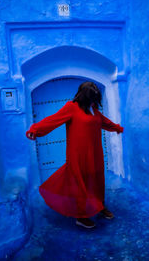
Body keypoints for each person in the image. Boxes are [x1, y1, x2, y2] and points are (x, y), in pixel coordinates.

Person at [26, 81, 124, 229]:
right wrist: (35, 129)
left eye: (95, 98)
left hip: (95, 153)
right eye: (92, 97)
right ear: (84, 96)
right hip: (78, 155)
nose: (94, 100)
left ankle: (99, 206)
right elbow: (53, 120)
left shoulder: (94, 109)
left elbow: (103, 122)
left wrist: (117, 128)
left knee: (97, 180)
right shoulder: (71, 108)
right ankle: (81, 217)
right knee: (80, 184)